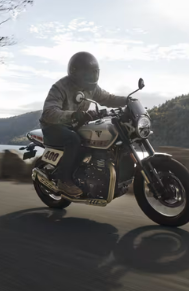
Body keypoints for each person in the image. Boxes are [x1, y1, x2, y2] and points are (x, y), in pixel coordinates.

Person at [39, 51, 128, 197]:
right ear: (75, 72)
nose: (91, 77)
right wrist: (74, 115)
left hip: (74, 126)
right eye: (87, 73)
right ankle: (64, 180)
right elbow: (49, 113)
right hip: (52, 127)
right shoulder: (60, 87)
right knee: (73, 140)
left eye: (93, 73)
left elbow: (109, 98)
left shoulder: (91, 88)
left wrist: (128, 101)